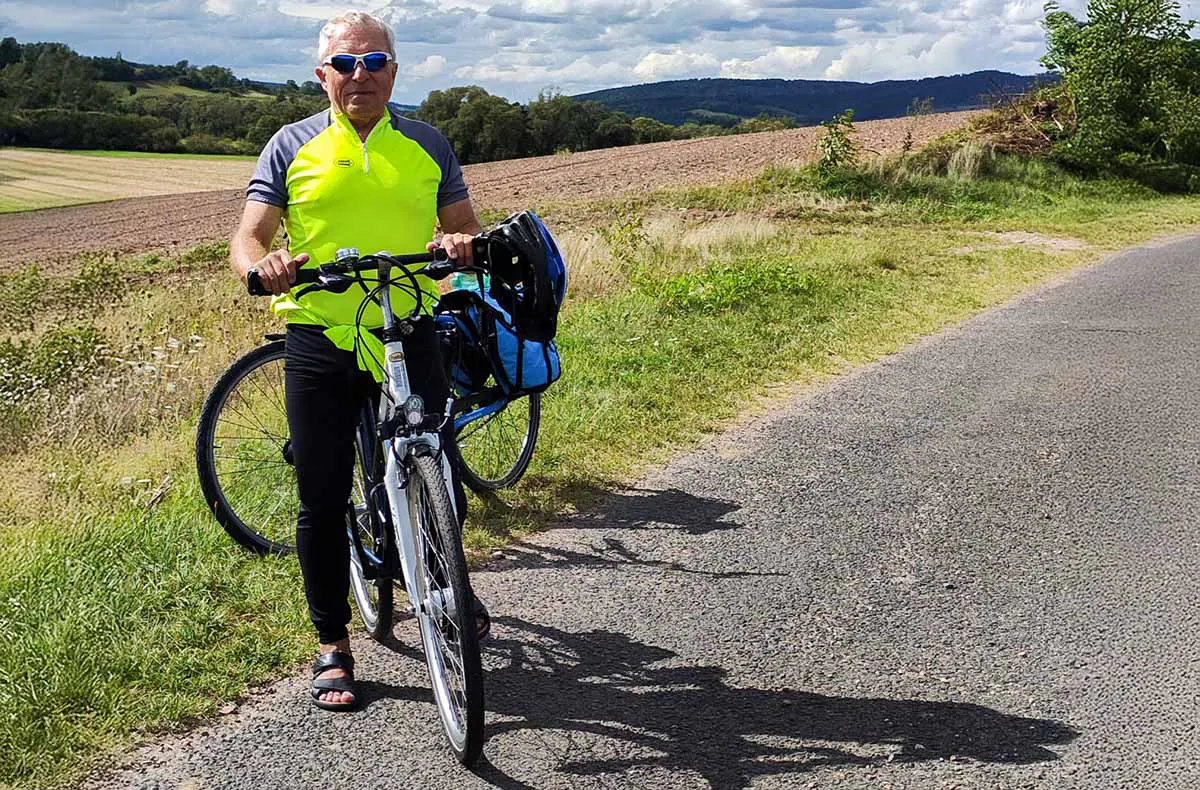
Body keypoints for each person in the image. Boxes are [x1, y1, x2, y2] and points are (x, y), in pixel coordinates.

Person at [229, 10, 487, 712]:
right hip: (322, 335)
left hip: (409, 323)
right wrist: (267, 264)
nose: (360, 77)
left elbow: (462, 225)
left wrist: (459, 244)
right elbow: (248, 239)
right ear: (323, 76)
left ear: (394, 72)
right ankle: (333, 642)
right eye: (345, 65)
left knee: (436, 458)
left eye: (374, 63)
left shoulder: (428, 143)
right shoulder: (291, 145)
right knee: (321, 491)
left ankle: (446, 588)